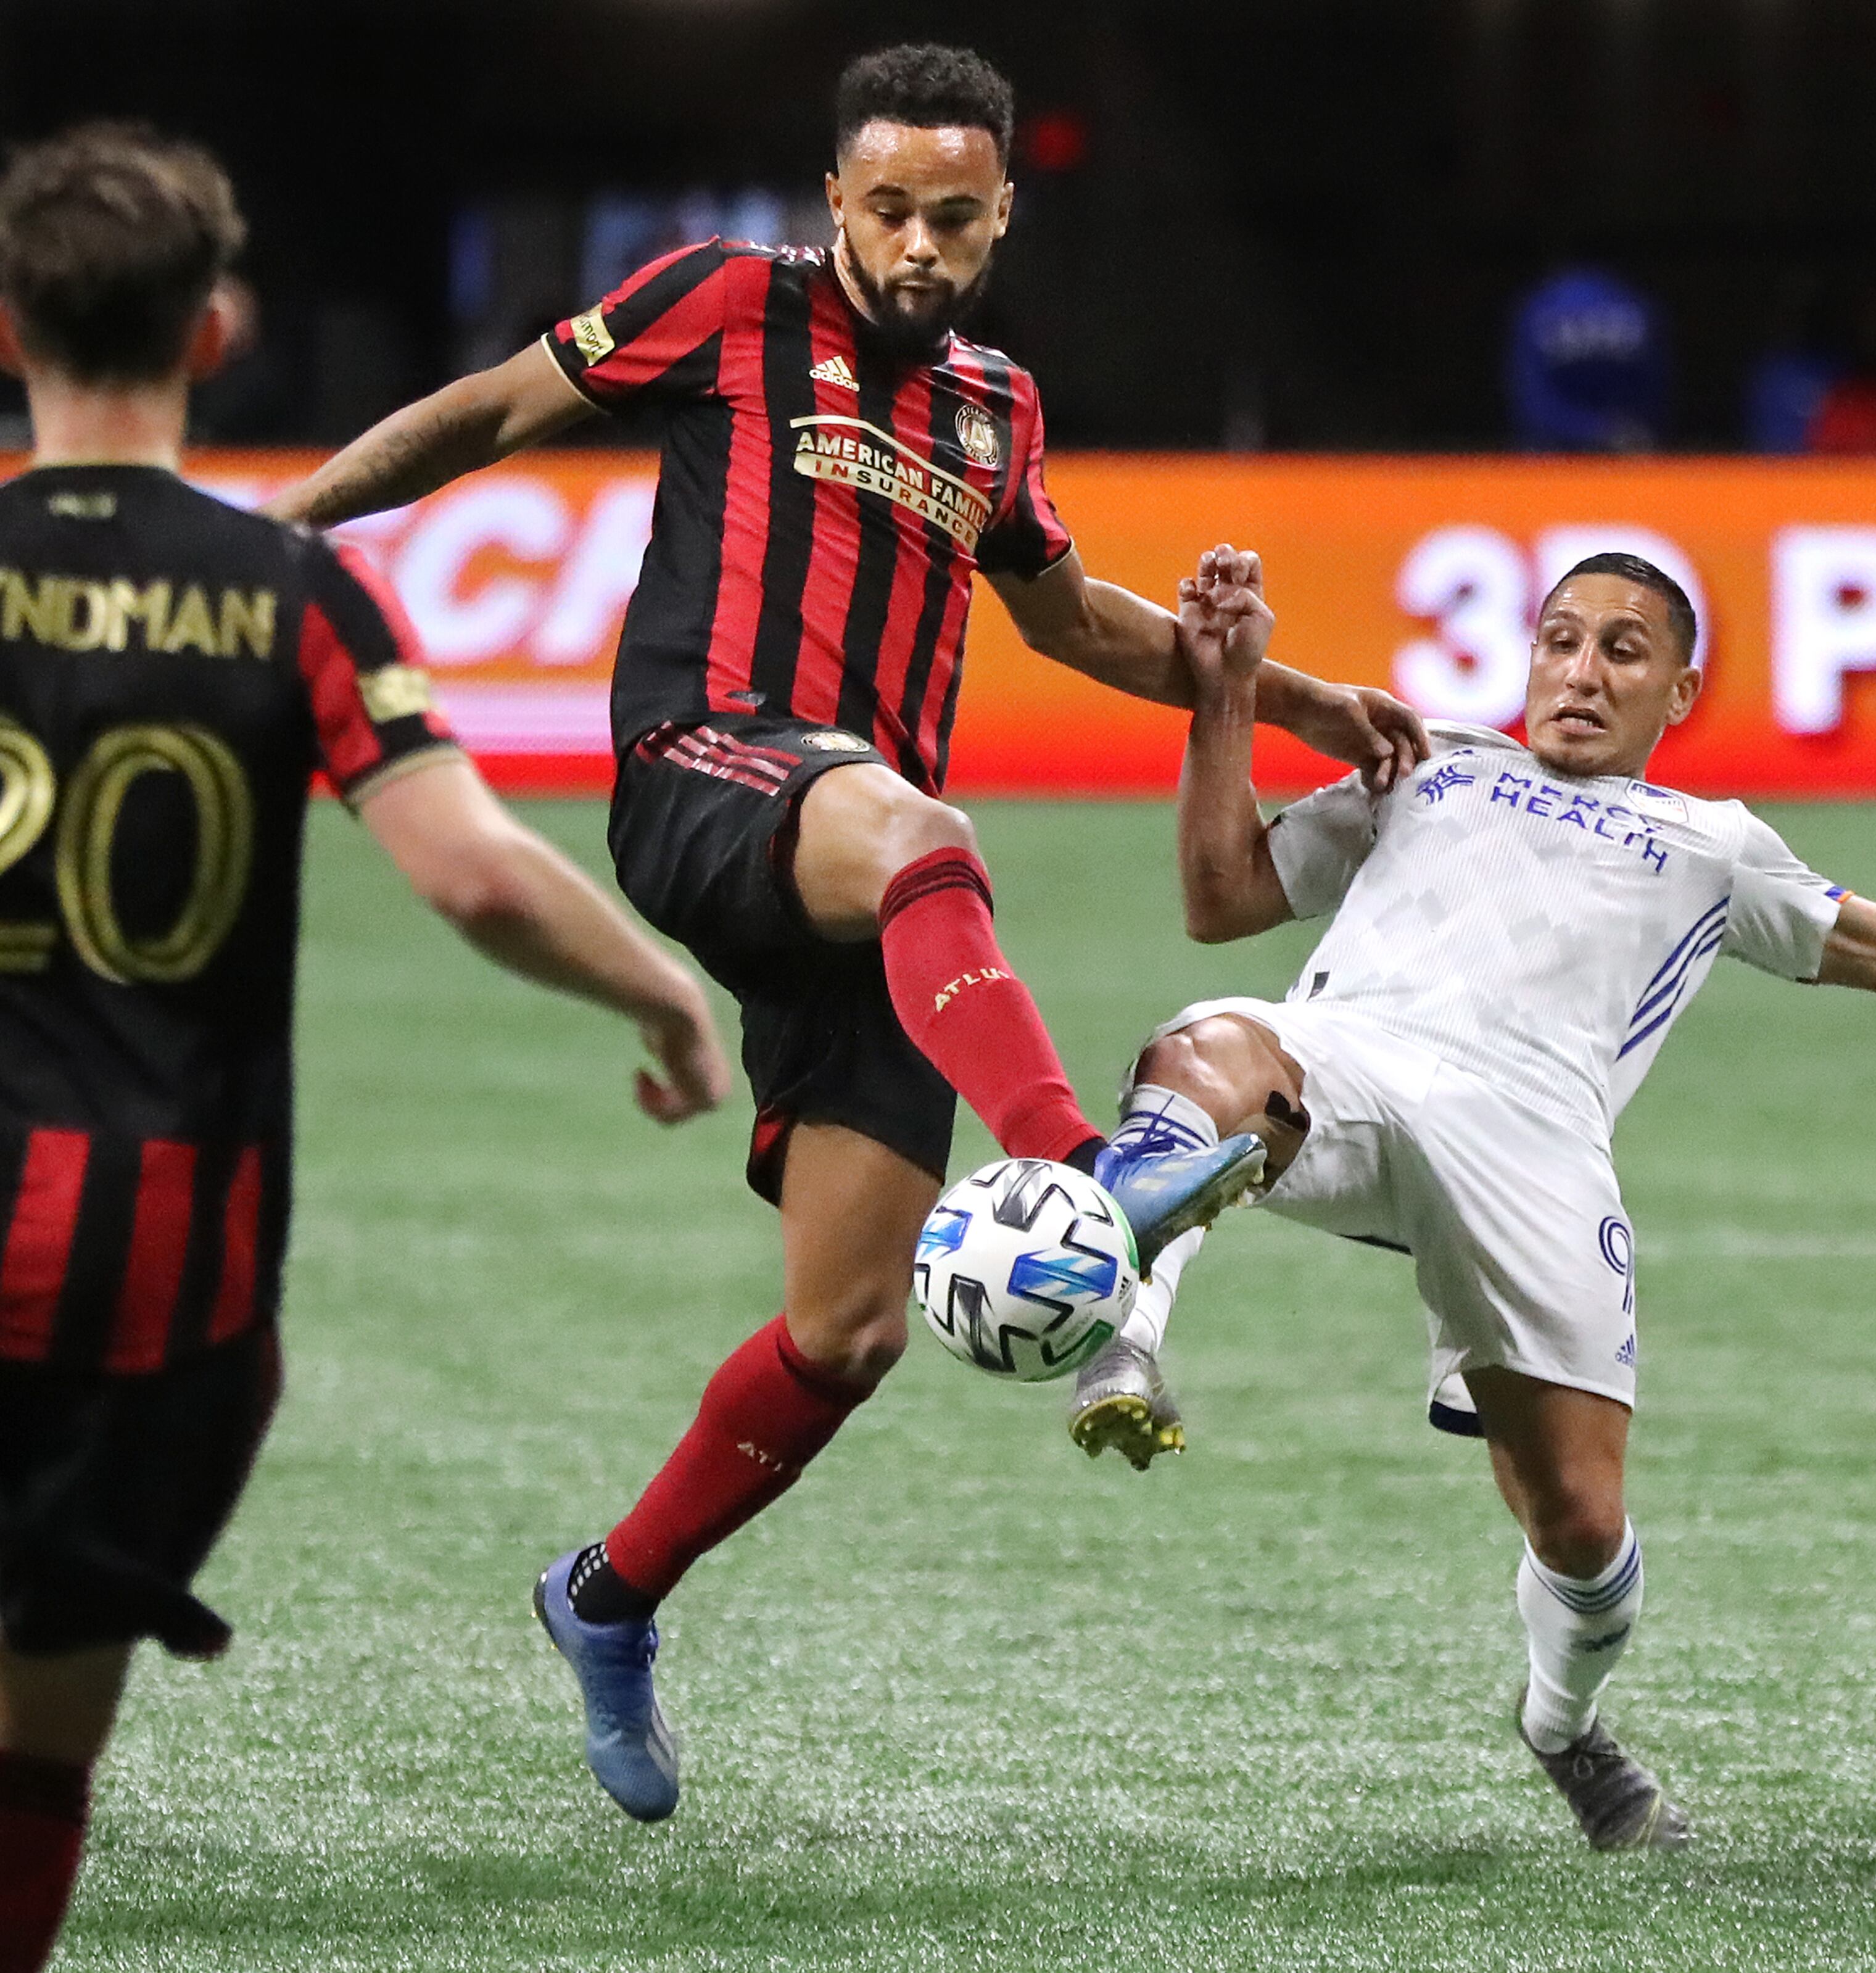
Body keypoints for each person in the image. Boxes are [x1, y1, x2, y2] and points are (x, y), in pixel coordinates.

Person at [265, 44, 1426, 1824]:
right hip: (704, 768)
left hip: (862, 881)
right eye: (887, 209)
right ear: (834, 201)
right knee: (922, 831)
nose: (918, 244)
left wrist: (1316, 697)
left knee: (852, 1324)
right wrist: (284, 529)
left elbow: (1075, 624)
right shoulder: (726, 302)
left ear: (1002, 215)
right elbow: (495, 410)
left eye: (954, 217)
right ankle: (1082, 1173)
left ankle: (608, 1593)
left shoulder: (994, 408)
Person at [1072, 542, 1876, 1849]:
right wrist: (1227, 696)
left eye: (1623, 650)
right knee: (1206, 1042)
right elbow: (1223, 901)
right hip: (1349, 1068)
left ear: (1680, 691)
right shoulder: (1431, 765)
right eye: (1561, 640)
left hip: (1532, 1151)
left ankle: (1562, 1724)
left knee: (1582, 1530)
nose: (1582, 672)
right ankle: (1123, 1334)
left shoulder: (1715, 847)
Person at [0, 125, 733, 1971]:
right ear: (220, 331)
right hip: (164, 1275)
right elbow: (474, 876)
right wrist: (660, 987)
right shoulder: (290, 590)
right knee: (37, 1738)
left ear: (11, 326)